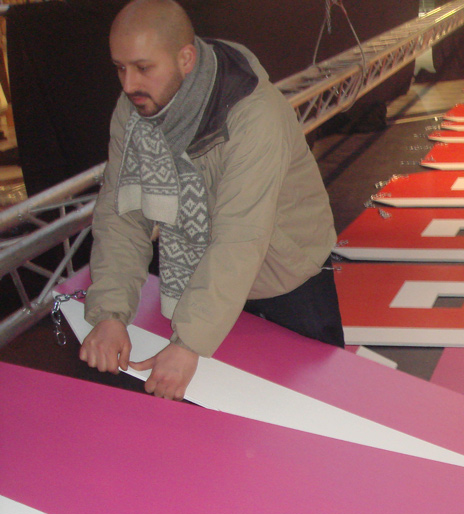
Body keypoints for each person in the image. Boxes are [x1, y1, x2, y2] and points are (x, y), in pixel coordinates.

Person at [79, 0, 343, 400]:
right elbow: (122, 215)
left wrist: (189, 343)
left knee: (310, 411)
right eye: (120, 67)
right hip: (204, 280)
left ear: (186, 59)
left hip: (286, 281)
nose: (129, 84)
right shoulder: (134, 112)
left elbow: (240, 238)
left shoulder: (255, 115)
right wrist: (109, 313)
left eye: (143, 68)